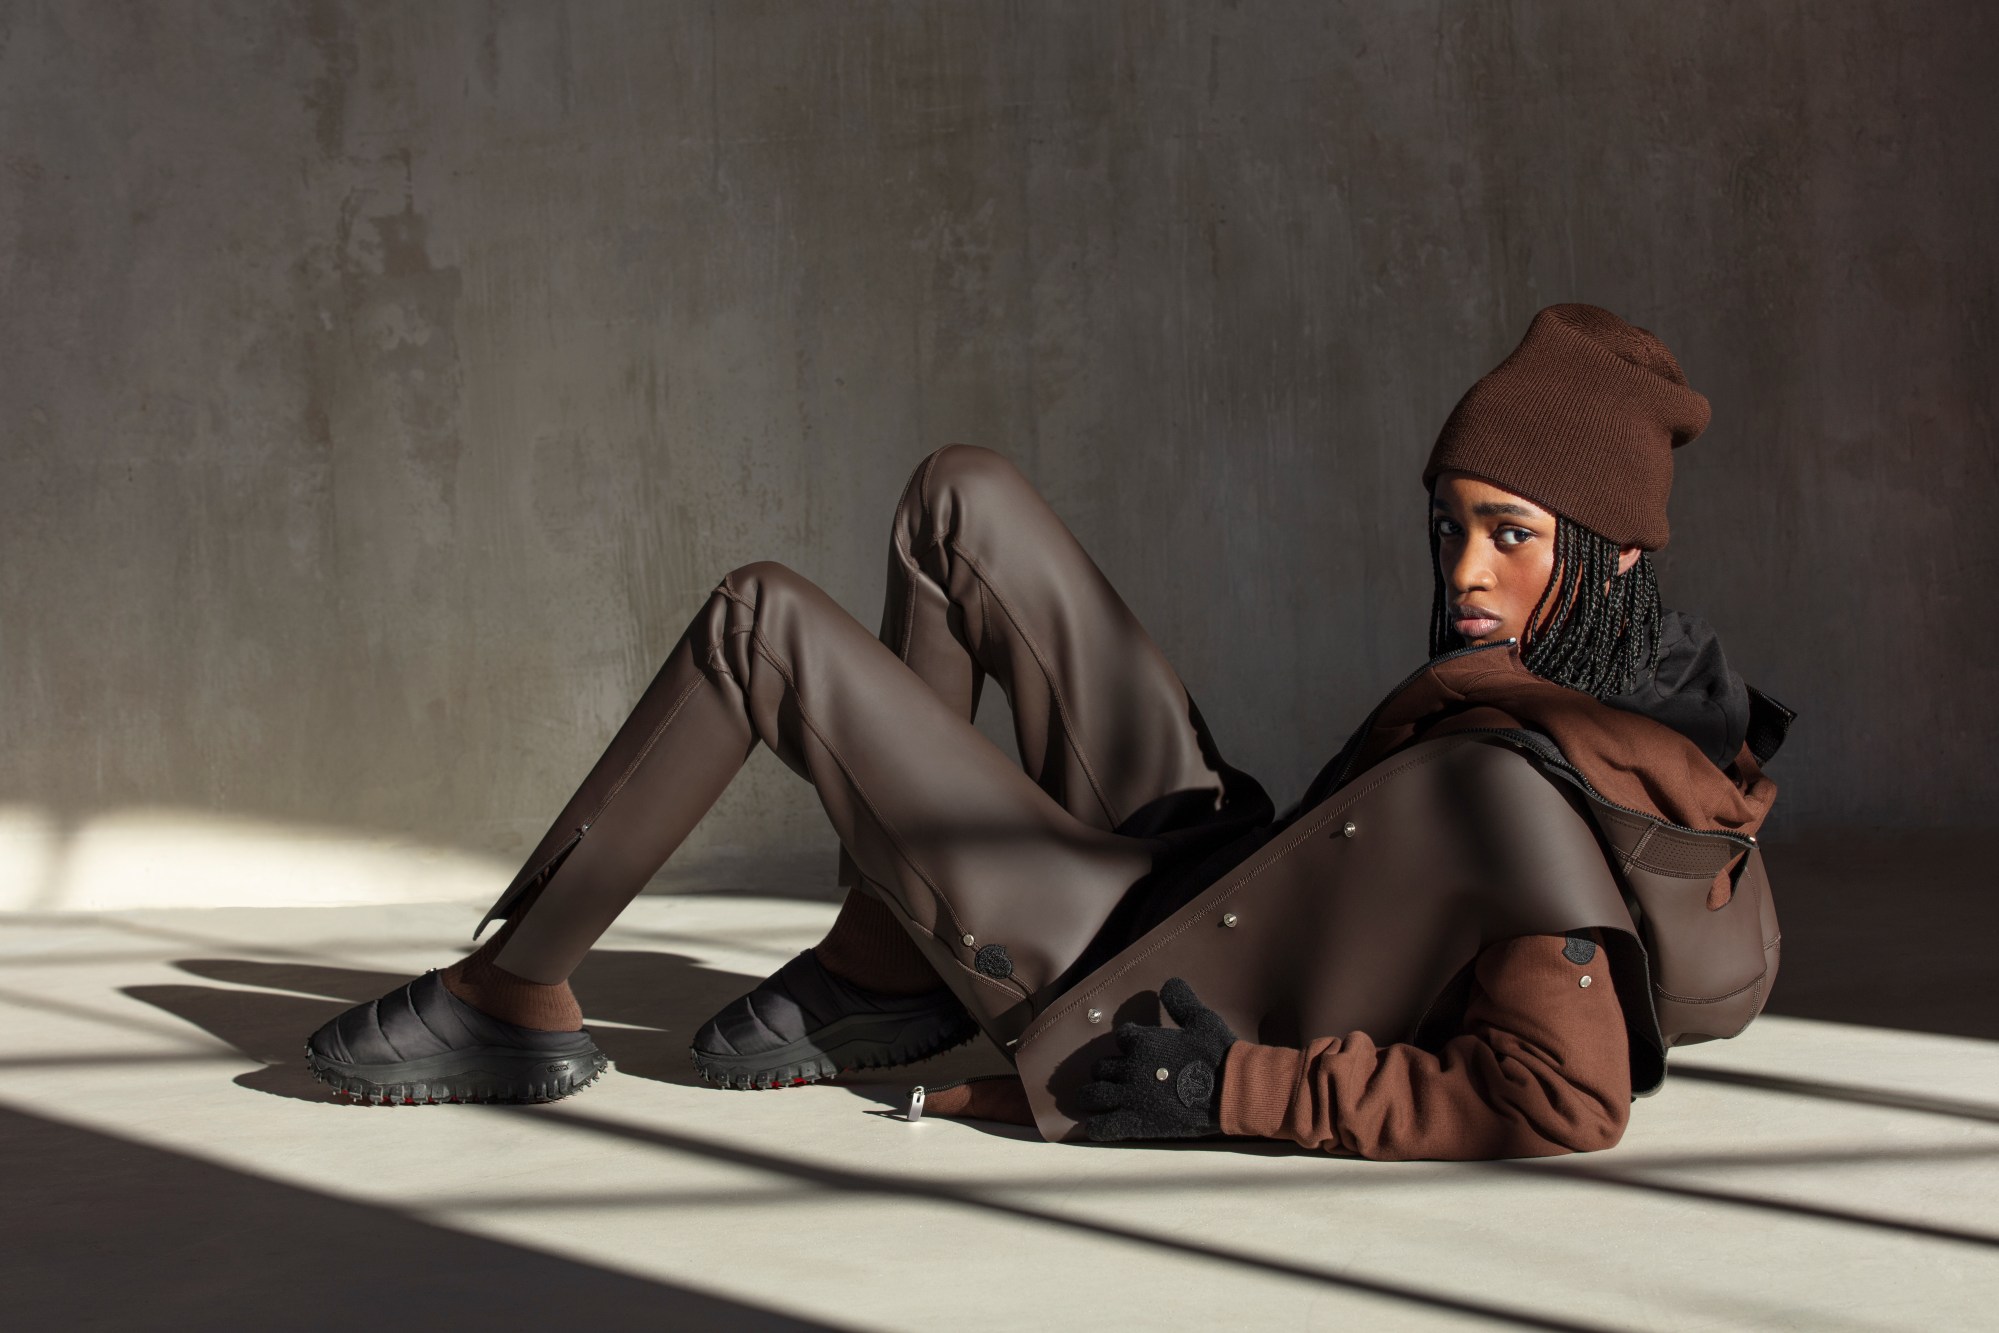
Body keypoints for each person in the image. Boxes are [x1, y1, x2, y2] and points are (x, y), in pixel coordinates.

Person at [305, 303, 1790, 1160]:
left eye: (1512, 536)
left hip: (1142, 955)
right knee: (959, 497)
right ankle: (881, 962)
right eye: (1452, 527)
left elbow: (1563, 1095)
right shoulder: (1636, 680)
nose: (1465, 571)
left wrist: (1230, 1088)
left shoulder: (1559, 791)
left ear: (1611, 557)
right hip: (1236, 869)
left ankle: (513, 996)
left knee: (761, 619)